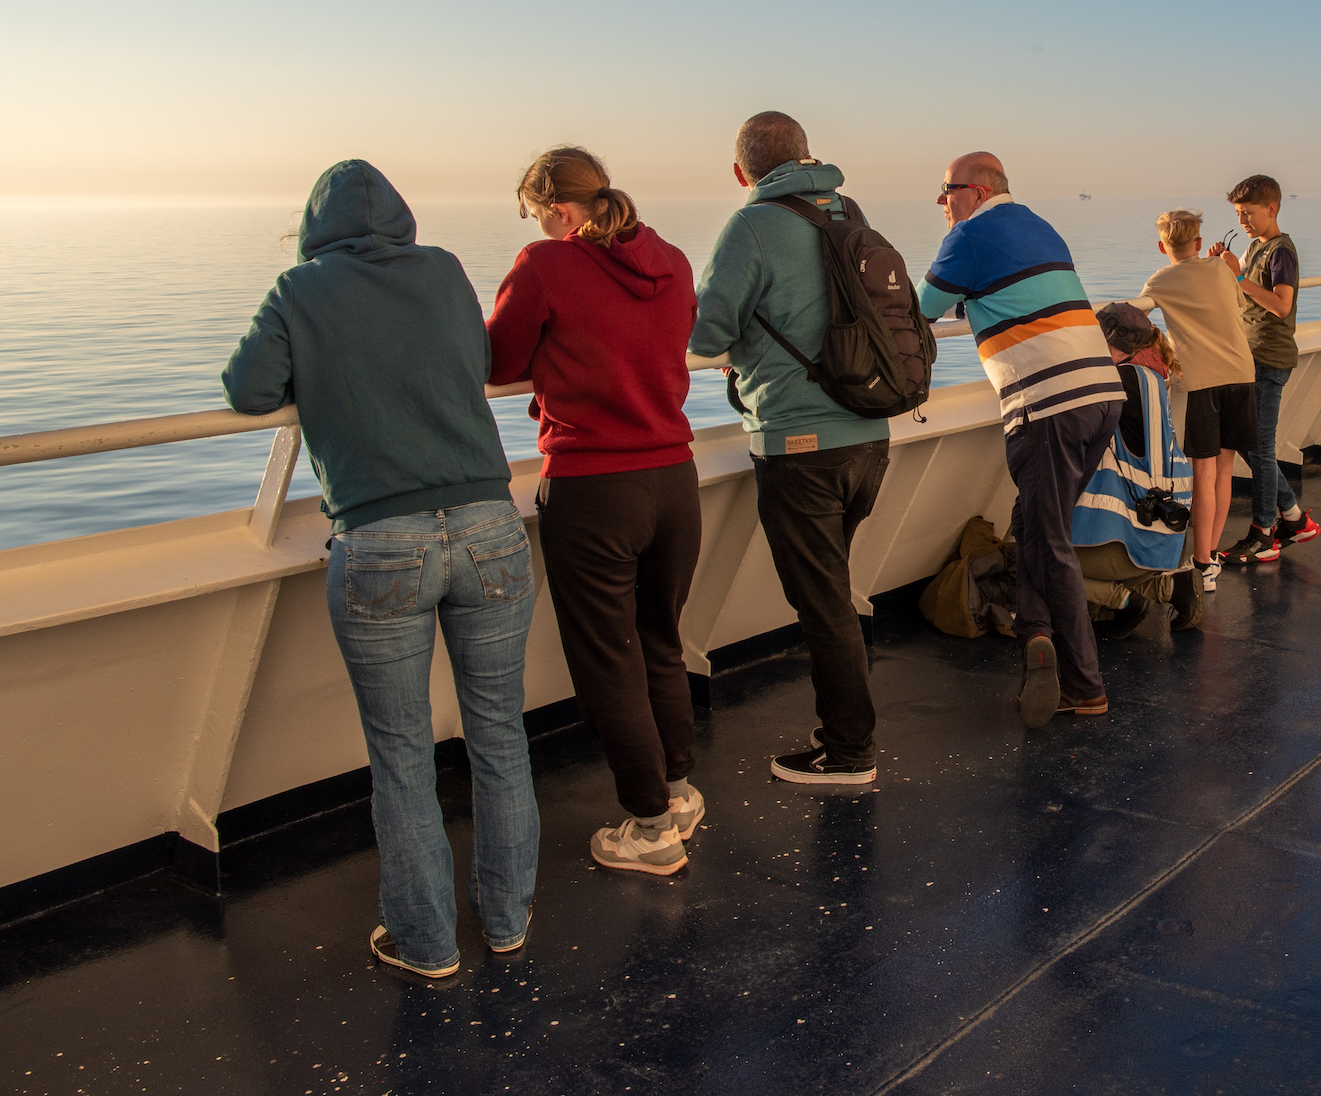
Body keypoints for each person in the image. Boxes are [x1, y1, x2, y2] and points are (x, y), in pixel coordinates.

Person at [223, 159, 536, 978]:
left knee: (402, 754)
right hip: (489, 525)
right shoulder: (442, 270)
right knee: (499, 733)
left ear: (314, 226)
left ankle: (427, 944)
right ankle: (507, 921)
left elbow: (247, 388)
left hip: (380, 540)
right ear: (401, 216)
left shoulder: (300, 288)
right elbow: (476, 359)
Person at [488, 147, 703, 875]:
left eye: (535, 215)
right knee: (660, 640)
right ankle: (676, 792)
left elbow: (497, 358)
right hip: (674, 476)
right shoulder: (670, 258)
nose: (537, 227)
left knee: (609, 659)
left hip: (594, 485)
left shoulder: (545, 264)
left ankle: (648, 829)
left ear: (557, 209)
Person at [691, 112, 892, 784]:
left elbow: (707, 329)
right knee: (832, 588)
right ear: (809, 156)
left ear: (742, 172)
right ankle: (846, 732)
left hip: (800, 444)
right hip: (870, 435)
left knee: (823, 601)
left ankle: (850, 750)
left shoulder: (751, 225)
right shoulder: (849, 211)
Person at [917, 152, 1124, 727]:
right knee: (1033, 522)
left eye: (947, 190)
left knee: (1050, 538)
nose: (942, 201)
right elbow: (1010, 289)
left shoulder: (970, 236)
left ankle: (1085, 686)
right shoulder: (1038, 225)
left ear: (977, 191)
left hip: (1049, 406)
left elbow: (916, 313)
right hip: (1102, 394)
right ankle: (1035, 632)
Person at [1138, 209, 1257, 591]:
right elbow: (1236, 306)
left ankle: (1202, 564)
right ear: (1199, 243)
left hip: (1202, 382)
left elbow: (1137, 319)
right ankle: (1209, 557)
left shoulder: (1160, 280)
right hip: (1241, 374)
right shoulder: (1222, 269)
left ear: (1161, 246)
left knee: (1203, 474)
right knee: (1224, 470)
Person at [1072, 302, 1200, 635]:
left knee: (1037, 557)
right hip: (1166, 537)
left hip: (1130, 544)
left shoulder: (1119, 381)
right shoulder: (1153, 379)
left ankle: (1123, 599)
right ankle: (1170, 586)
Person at [1215, 176, 1321, 563]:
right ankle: (1292, 517)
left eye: (1248, 213)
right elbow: (1239, 291)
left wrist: (1239, 276)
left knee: (1258, 446)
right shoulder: (1255, 246)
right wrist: (1227, 270)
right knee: (1250, 442)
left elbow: (1280, 305)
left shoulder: (1281, 251)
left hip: (1268, 359)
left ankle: (1264, 534)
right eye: (1238, 214)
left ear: (1271, 209)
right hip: (1249, 356)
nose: (1242, 220)